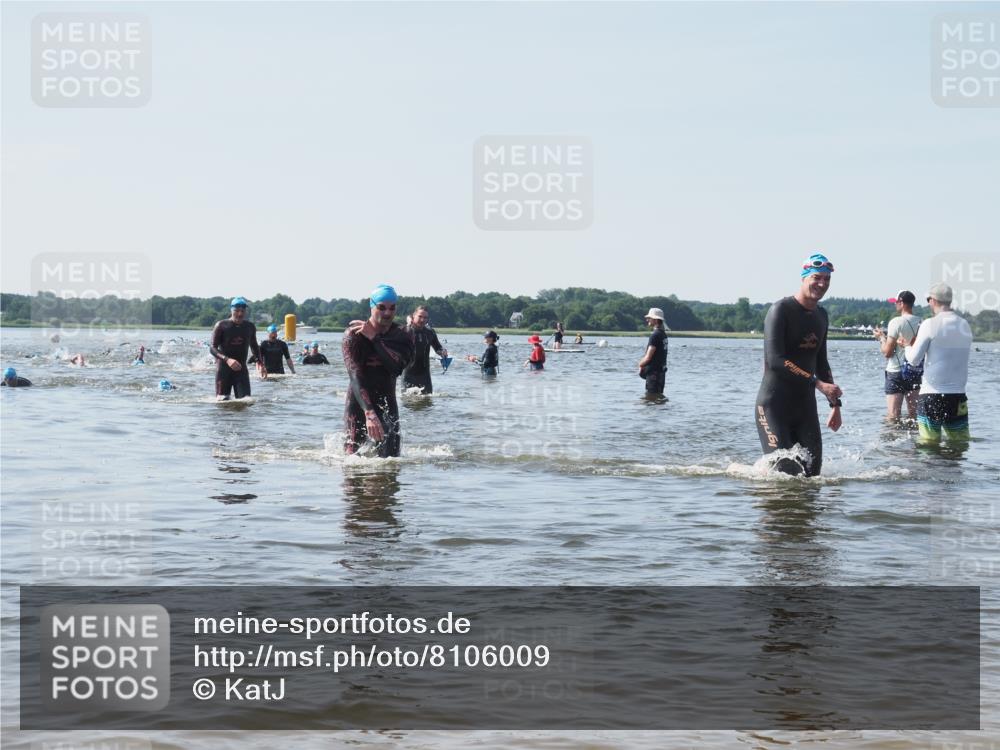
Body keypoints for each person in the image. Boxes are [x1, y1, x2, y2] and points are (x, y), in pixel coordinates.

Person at [755, 254, 843, 477]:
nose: (822, 284)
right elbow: (776, 360)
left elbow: (821, 361)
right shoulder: (780, 310)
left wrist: (835, 405)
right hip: (773, 405)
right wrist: (817, 383)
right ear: (804, 277)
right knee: (786, 471)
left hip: (805, 407)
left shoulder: (821, 315)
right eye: (816, 278)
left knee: (813, 474)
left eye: (827, 279)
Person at [342, 284, 414, 457]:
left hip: (387, 404)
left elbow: (396, 368)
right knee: (352, 462)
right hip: (358, 405)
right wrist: (369, 412)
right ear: (372, 306)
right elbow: (355, 375)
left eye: (392, 308)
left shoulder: (403, 335)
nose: (387, 313)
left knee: (391, 461)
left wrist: (375, 339)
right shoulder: (353, 336)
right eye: (381, 308)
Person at [898, 282, 973, 447]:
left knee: (928, 446)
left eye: (928, 300)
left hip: (931, 396)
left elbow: (914, 360)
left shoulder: (929, 324)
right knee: (959, 446)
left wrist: (907, 346)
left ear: (933, 300)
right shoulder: (965, 325)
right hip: (958, 396)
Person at [874, 290, 921, 420]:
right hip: (914, 371)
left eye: (896, 302)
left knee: (893, 417)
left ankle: (893, 434)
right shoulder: (921, 322)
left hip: (895, 372)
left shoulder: (896, 322)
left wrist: (881, 338)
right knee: (915, 416)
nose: (895, 305)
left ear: (901, 302)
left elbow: (887, 353)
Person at [209, 296, 264, 400]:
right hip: (224, 371)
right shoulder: (221, 326)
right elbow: (212, 348)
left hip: (241, 370)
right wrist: (227, 359)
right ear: (231, 310)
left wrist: (260, 363)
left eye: (242, 311)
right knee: (223, 402)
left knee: (245, 401)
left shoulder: (249, 327)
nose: (240, 314)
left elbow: (254, 346)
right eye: (237, 311)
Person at [403, 305, 448, 393]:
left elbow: (438, 347)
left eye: (425, 317)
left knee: (427, 400)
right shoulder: (406, 331)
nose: (422, 320)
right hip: (408, 375)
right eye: (420, 316)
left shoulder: (430, 332)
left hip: (425, 376)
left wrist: (442, 352)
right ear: (413, 316)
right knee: (407, 400)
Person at [638, 307, 669, 395]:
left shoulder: (655, 335)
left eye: (649, 318)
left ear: (655, 320)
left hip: (653, 374)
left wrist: (640, 364)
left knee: (651, 397)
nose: (647, 319)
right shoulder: (663, 334)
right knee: (658, 397)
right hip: (661, 372)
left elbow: (648, 357)